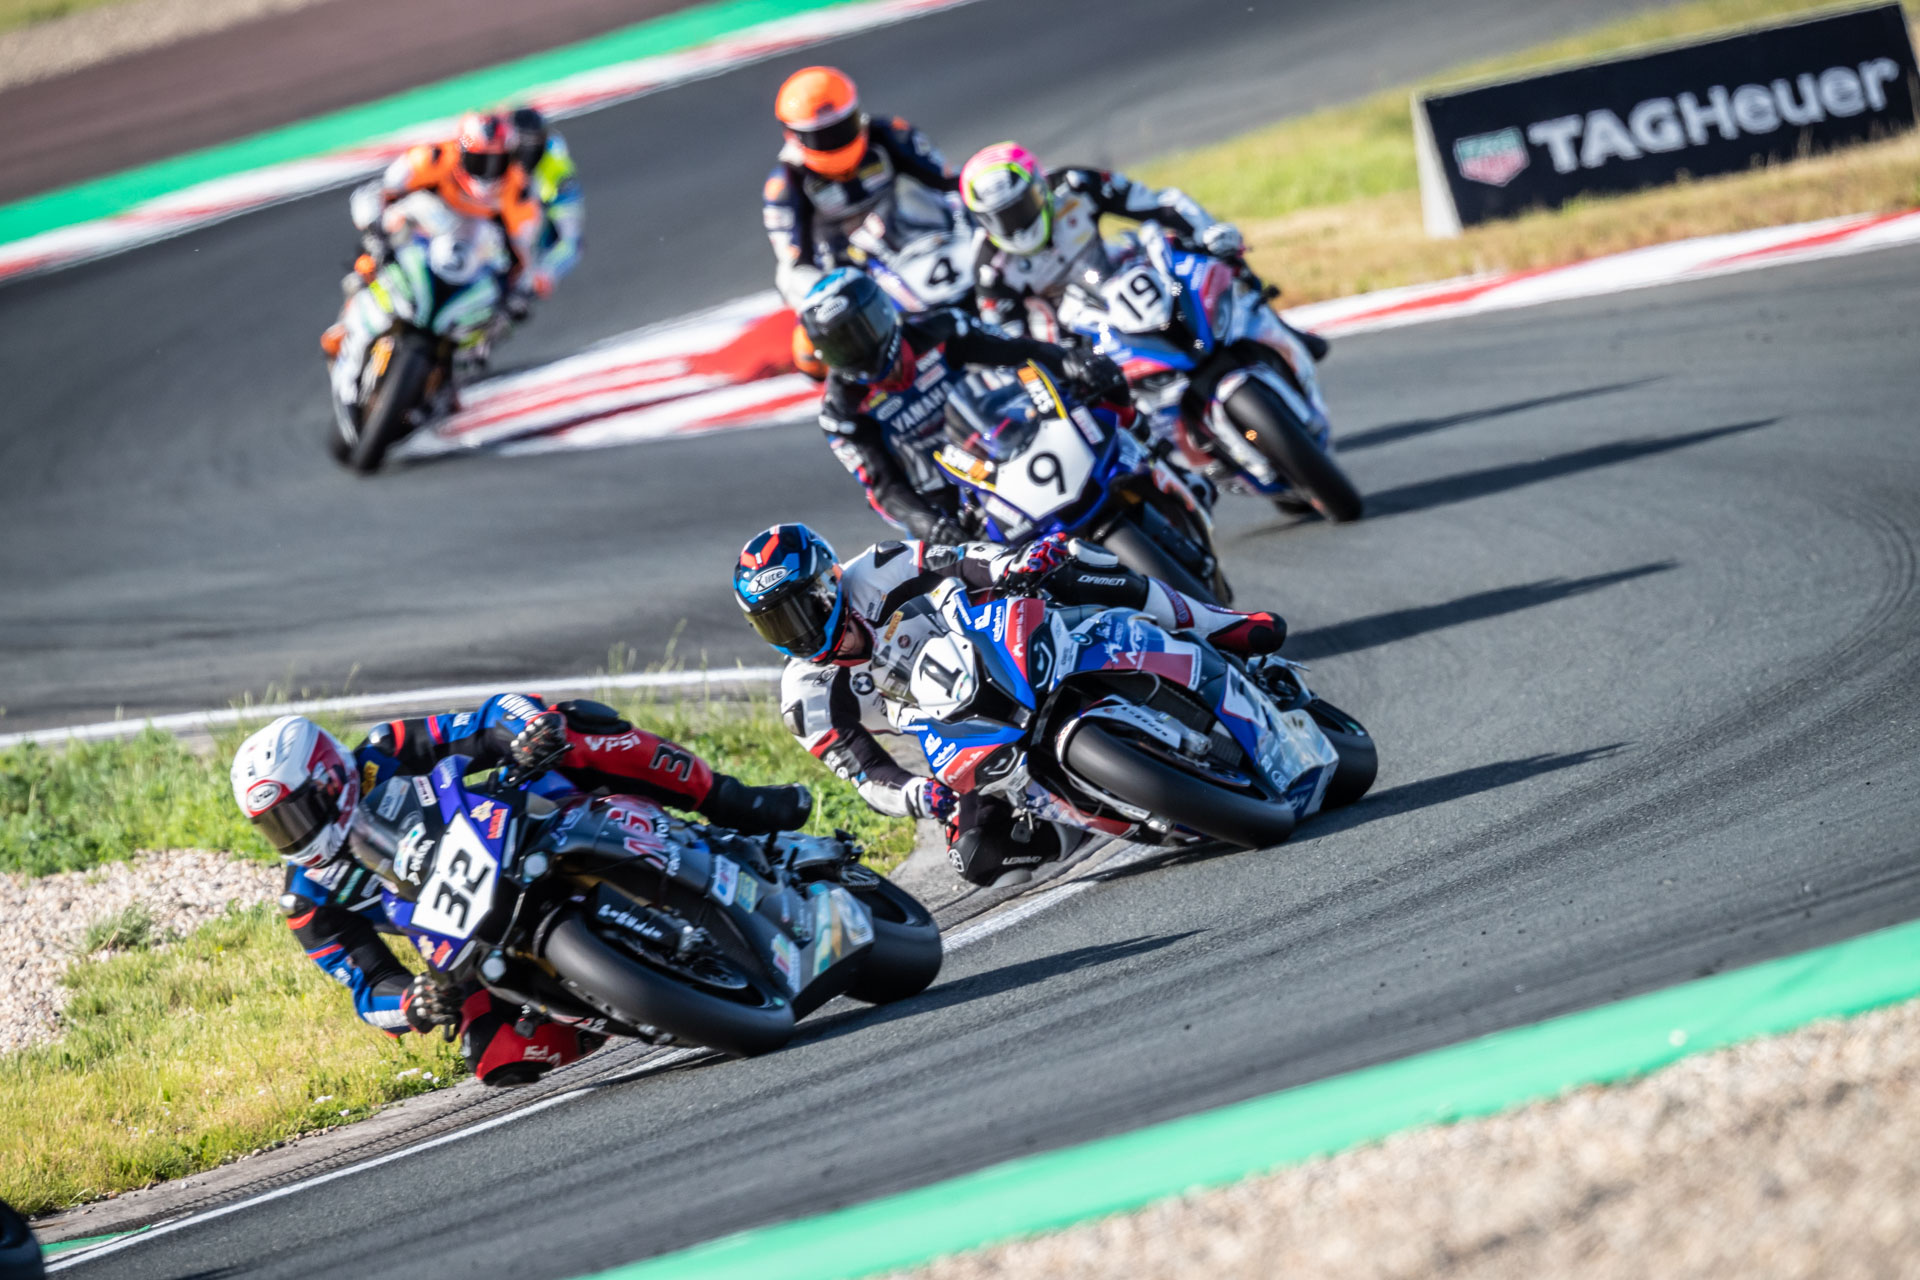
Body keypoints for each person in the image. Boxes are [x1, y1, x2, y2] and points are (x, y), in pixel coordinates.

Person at [229, 695, 810, 1086]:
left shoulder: (386, 749)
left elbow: (488, 718)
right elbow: (368, 985)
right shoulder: (307, 899)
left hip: (517, 825)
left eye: (297, 812)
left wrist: (526, 731)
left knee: (574, 727)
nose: (294, 834)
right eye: (275, 825)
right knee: (495, 1056)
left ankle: (732, 800)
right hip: (461, 934)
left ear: (330, 777)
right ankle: (633, 1003)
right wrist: (411, 1002)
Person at [733, 524, 1286, 886]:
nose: (796, 632)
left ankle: (1218, 624)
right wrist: (922, 797)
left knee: (1071, 562)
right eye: (774, 623)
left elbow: (963, 560)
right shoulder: (806, 699)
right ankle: (1092, 815)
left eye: (800, 609)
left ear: (828, 583)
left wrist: (1011, 566)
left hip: (997, 646)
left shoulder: (879, 568)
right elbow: (867, 774)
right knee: (976, 856)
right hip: (956, 731)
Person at [798, 268, 1129, 543]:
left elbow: (1019, 351)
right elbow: (883, 487)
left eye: (862, 334)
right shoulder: (841, 412)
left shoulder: (943, 328)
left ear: (882, 313)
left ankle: (1149, 456)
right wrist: (928, 524)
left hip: (1001, 450)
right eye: (842, 346)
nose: (859, 351)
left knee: (1105, 401)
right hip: (953, 505)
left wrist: (1070, 362)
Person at [958, 141, 1329, 359]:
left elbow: (1157, 203)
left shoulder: (1075, 185)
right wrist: (1059, 362)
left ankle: (1281, 330)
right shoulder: (990, 269)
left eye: (1020, 208)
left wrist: (1206, 233)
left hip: (1116, 275)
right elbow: (1007, 339)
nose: (1015, 225)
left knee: (1212, 252)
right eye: (998, 218)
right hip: (1076, 330)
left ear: (1039, 189)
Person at [763, 65, 959, 311]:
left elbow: (950, 181)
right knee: (792, 280)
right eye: (822, 136)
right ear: (793, 136)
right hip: (841, 269)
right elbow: (796, 261)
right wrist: (827, 289)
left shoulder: (890, 135)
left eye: (843, 127)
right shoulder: (785, 184)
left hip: (904, 240)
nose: (836, 141)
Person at [508, 106, 585, 299]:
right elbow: (466, 141)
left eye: (531, 146)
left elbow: (570, 242)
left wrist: (544, 273)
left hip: (522, 237)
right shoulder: (495, 145)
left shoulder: (558, 173)